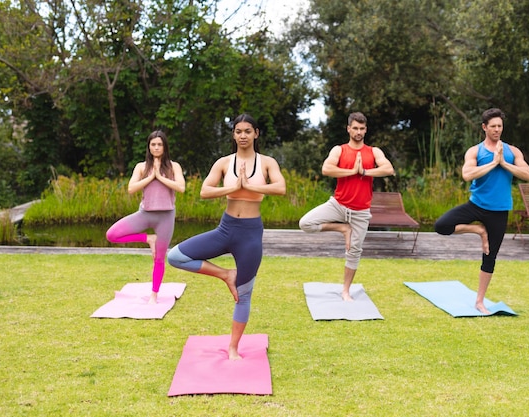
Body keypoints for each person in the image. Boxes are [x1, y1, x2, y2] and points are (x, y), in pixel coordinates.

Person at [167, 114, 286, 360]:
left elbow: (280, 188)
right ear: (233, 135)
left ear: (256, 134)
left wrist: (250, 187)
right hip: (226, 229)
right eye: (238, 131)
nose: (243, 136)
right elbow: (204, 191)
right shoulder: (223, 163)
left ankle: (233, 347)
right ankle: (225, 275)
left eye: (247, 131)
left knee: (243, 294)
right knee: (175, 256)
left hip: (251, 234)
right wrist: (233, 188)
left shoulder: (266, 162)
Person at [434, 108, 529, 314]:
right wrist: (493, 163)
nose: (497, 130)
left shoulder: (512, 151)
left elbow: (528, 175)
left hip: (499, 211)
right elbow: (467, 174)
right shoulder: (475, 151)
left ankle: (480, 301)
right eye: (493, 126)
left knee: (490, 257)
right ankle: (479, 231)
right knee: (441, 225)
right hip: (476, 206)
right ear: (484, 128)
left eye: (500, 126)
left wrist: (504, 163)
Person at [299, 112, 395, 301]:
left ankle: (345, 291)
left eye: (362, 129)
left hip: (360, 211)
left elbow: (388, 169)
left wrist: (365, 171)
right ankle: (343, 228)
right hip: (338, 204)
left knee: (354, 252)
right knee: (305, 223)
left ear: (365, 130)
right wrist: (352, 171)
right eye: (355, 128)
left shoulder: (373, 151)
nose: (358, 132)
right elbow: (326, 169)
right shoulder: (339, 150)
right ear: (348, 128)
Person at [106, 130, 186, 304]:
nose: (156, 147)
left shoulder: (174, 166)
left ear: (165, 147)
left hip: (165, 217)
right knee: (111, 235)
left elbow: (181, 187)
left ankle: (154, 295)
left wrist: (160, 177)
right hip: (144, 214)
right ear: (149, 147)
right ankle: (148, 238)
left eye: (159, 144)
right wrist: (151, 177)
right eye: (153, 144)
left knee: (159, 258)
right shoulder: (141, 167)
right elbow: (131, 188)